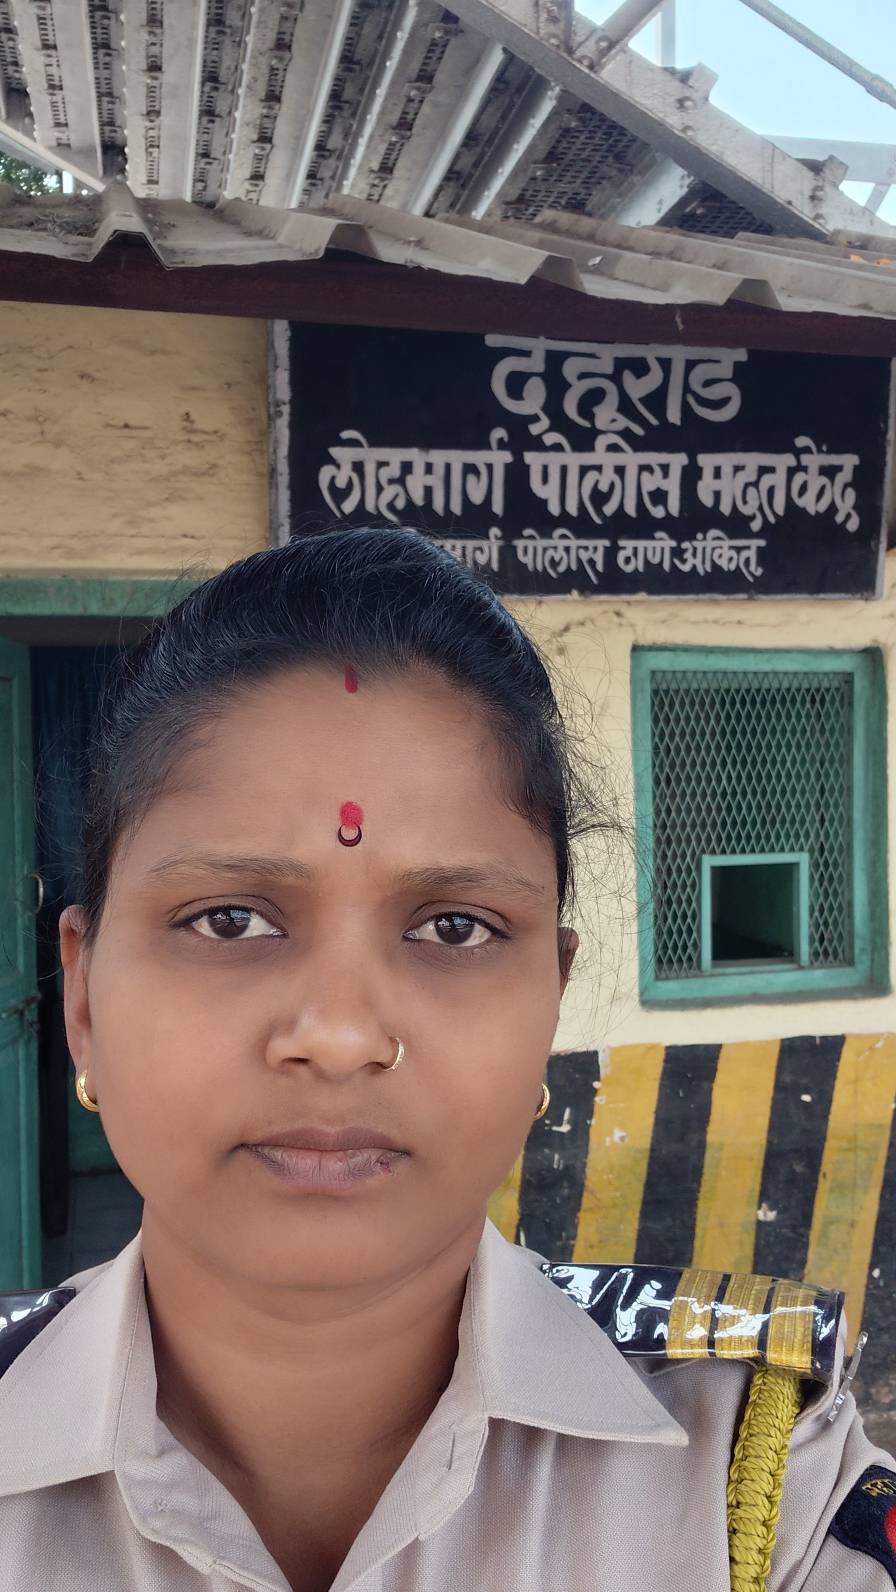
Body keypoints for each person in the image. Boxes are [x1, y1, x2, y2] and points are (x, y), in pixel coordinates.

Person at [0, 526, 893, 1592]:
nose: (339, 1035)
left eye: (454, 927)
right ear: (85, 997)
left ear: (550, 1000)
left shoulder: (759, 1485)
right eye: (229, 919)